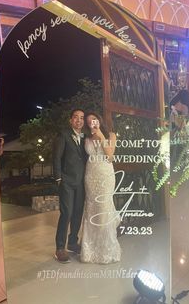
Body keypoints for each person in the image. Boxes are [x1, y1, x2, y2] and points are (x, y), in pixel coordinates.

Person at [80, 112, 121, 264]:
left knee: (104, 209)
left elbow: (110, 155)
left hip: (105, 174)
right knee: (92, 210)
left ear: (99, 120)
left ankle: (106, 251)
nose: (92, 123)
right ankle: (89, 250)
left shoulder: (111, 135)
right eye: (89, 121)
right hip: (90, 176)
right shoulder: (86, 139)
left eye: (94, 120)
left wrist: (101, 136)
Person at [53, 109, 86, 263]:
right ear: (70, 120)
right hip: (66, 181)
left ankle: (73, 243)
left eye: (81, 118)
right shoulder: (64, 135)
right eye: (75, 117)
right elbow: (57, 157)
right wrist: (58, 178)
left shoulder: (85, 137)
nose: (79, 120)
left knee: (78, 213)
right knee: (67, 213)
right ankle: (60, 248)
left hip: (81, 182)